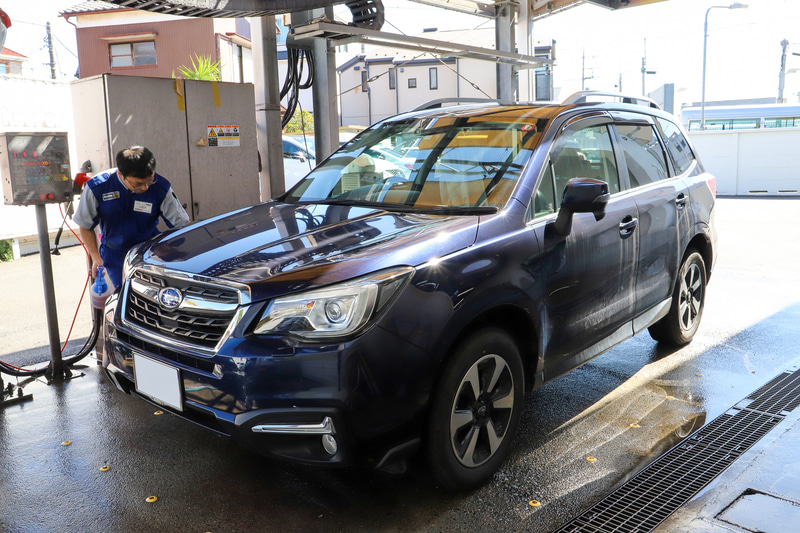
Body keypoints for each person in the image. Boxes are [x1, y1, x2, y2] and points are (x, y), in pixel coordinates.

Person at [74, 146, 190, 289]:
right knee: (125, 294)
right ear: (121, 174)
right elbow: (85, 225)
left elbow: (183, 225)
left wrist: (170, 248)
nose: (145, 188)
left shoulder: (161, 187)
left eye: (149, 182)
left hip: (150, 253)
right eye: (138, 184)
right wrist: (95, 257)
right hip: (115, 255)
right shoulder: (98, 187)